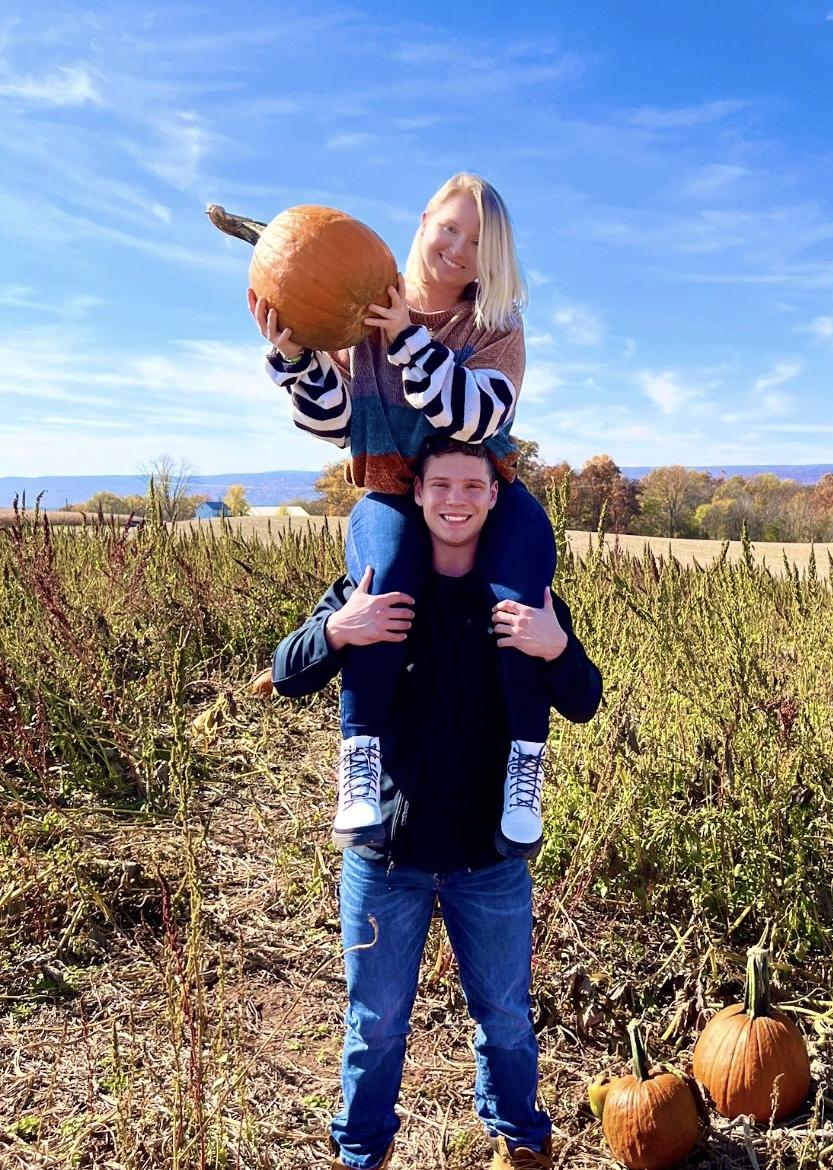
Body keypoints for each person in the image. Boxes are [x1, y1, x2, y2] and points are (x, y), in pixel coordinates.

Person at [272, 438, 602, 1170]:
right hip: (386, 855)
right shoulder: (372, 582)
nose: (456, 499)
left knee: (507, 1020)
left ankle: (520, 1140)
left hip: (490, 858)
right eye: (441, 484)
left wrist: (556, 647)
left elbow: (583, 701)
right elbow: (285, 672)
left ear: (493, 496)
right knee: (377, 1024)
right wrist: (336, 629)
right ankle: (362, 1153)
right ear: (416, 492)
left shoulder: (526, 594)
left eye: (472, 486)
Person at [251, 173, 554, 859]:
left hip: (478, 492)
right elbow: (336, 423)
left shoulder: (494, 328)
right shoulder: (356, 302)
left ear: (491, 260)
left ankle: (526, 763)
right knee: (380, 586)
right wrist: (296, 361)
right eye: (449, 227)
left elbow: (475, 417)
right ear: (422, 221)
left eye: (477, 242)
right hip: (392, 490)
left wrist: (410, 341)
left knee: (521, 600)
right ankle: (359, 761)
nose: (457, 248)